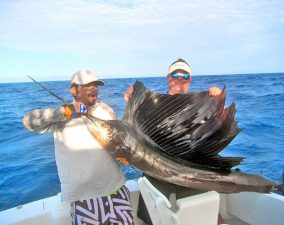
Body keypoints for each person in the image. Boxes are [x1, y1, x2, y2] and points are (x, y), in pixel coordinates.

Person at [23, 69, 134, 225]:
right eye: (88, 85)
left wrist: (122, 154)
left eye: (96, 85)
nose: (94, 88)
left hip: (117, 189)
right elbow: (28, 121)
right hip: (84, 199)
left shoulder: (107, 111)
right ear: (73, 90)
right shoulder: (61, 117)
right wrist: (66, 111)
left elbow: (116, 142)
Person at [124, 58, 223, 225]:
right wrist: (132, 102)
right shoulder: (151, 105)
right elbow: (130, 134)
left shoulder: (202, 106)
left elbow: (217, 133)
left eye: (185, 76)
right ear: (167, 77)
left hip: (190, 172)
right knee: (150, 218)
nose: (179, 79)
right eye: (175, 74)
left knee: (211, 215)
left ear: (190, 80)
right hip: (155, 172)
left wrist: (218, 103)